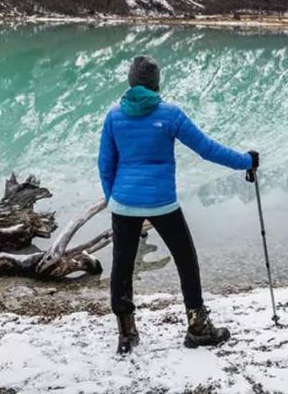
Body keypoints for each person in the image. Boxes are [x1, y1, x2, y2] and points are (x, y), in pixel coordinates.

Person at [98, 54, 259, 355]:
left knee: (121, 265)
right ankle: (197, 326)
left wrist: (114, 200)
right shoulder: (170, 114)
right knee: (186, 259)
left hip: (124, 204)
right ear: (156, 83)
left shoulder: (113, 116)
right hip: (161, 202)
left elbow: (105, 165)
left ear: (131, 82)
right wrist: (246, 161)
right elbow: (207, 149)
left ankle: (126, 333)